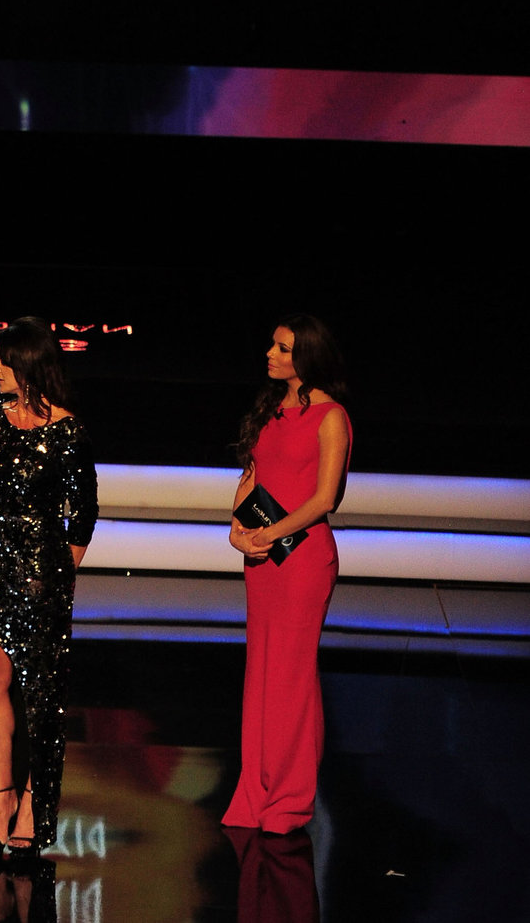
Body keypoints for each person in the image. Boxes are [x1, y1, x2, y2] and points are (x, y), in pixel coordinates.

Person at [0, 317, 97, 857]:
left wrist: (57, 575)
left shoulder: (68, 432)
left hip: (42, 573)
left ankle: (31, 806)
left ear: (27, 364)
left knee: (40, 697)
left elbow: (83, 515)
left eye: (4, 360)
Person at [223, 314, 352, 834]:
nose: (270, 354)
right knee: (262, 674)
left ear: (307, 356)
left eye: (282, 348)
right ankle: (255, 793)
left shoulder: (331, 417)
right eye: (273, 346)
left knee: (292, 679)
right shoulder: (271, 409)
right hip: (263, 558)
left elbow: (325, 498)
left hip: (303, 561)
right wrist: (237, 530)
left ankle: (291, 799)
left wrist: (270, 534)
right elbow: (252, 474)